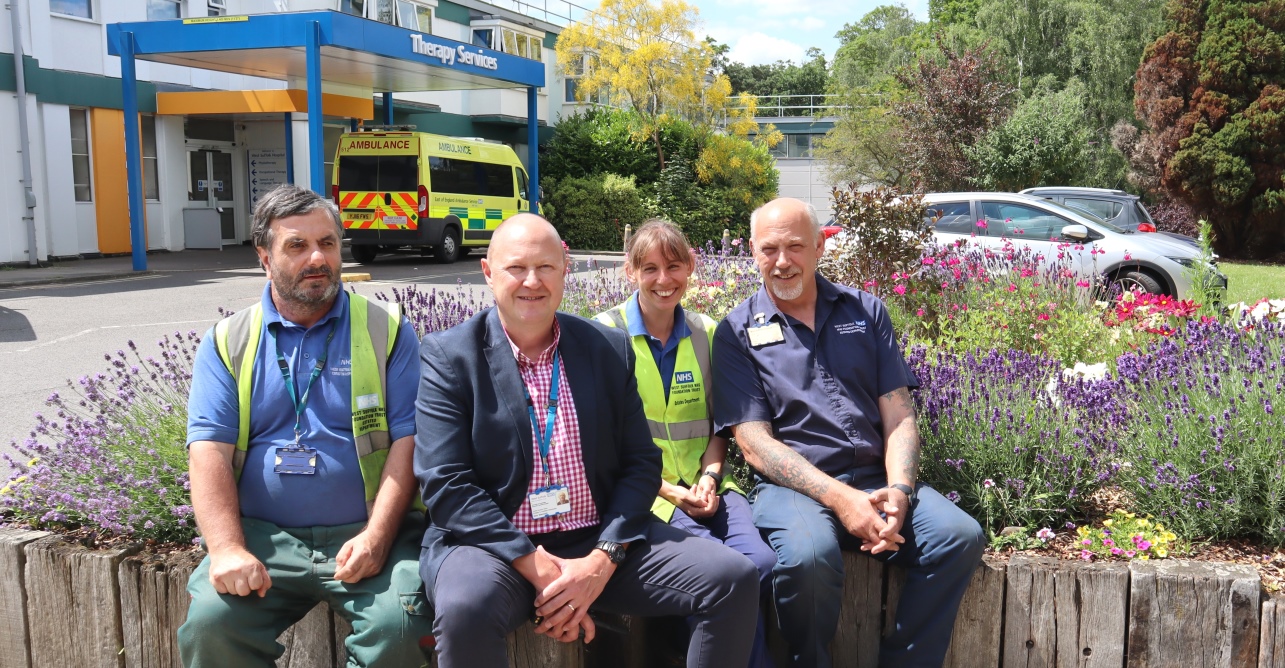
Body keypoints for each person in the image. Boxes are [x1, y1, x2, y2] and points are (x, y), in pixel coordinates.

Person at [415, 213, 759, 668]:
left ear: (566, 269)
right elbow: (447, 485)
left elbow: (640, 463)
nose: (532, 282)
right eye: (517, 267)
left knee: (733, 578)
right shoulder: (448, 356)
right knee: (464, 609)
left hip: (597, 540)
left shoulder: (606, 347)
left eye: (546, 267)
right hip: (495, 547)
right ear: (488, 271)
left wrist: (601, 561)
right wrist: (540, 569)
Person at [712, 197, 985, 668]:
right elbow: (753, 443)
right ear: (753, 253)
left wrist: (900, 489)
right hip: (793, 488)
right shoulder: (736, 331)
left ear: (820, 246)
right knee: (808, 558)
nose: (782, 261)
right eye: (769, 249)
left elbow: (899, 413)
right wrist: (841, 499)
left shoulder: (865, 310)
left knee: (958, 536)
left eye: (796, 246)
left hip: (875, 480)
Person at [179, 184, 431, 667]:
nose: (317, 258)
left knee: (398, 628)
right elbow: (207, 449)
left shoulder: (387, 330)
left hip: (368, 531)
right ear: (264, 257)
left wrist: (378, 537)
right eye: (297, 245)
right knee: (212, 625)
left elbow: (409, 441)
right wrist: (228, 548)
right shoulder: (227, 340)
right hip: (263, 539)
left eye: (328, 243)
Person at [594, 219, 776, 668]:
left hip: (708, 486)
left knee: (762, 563)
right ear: (629, 271)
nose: (663, 280)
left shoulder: (708, 333)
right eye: (649, 267)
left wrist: (711, 478)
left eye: (674, 266)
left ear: (691, 267)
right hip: (645, 496)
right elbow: (603, 444)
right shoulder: (603, 335)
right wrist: (672, 492)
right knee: (718, 570)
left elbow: (719, 425)